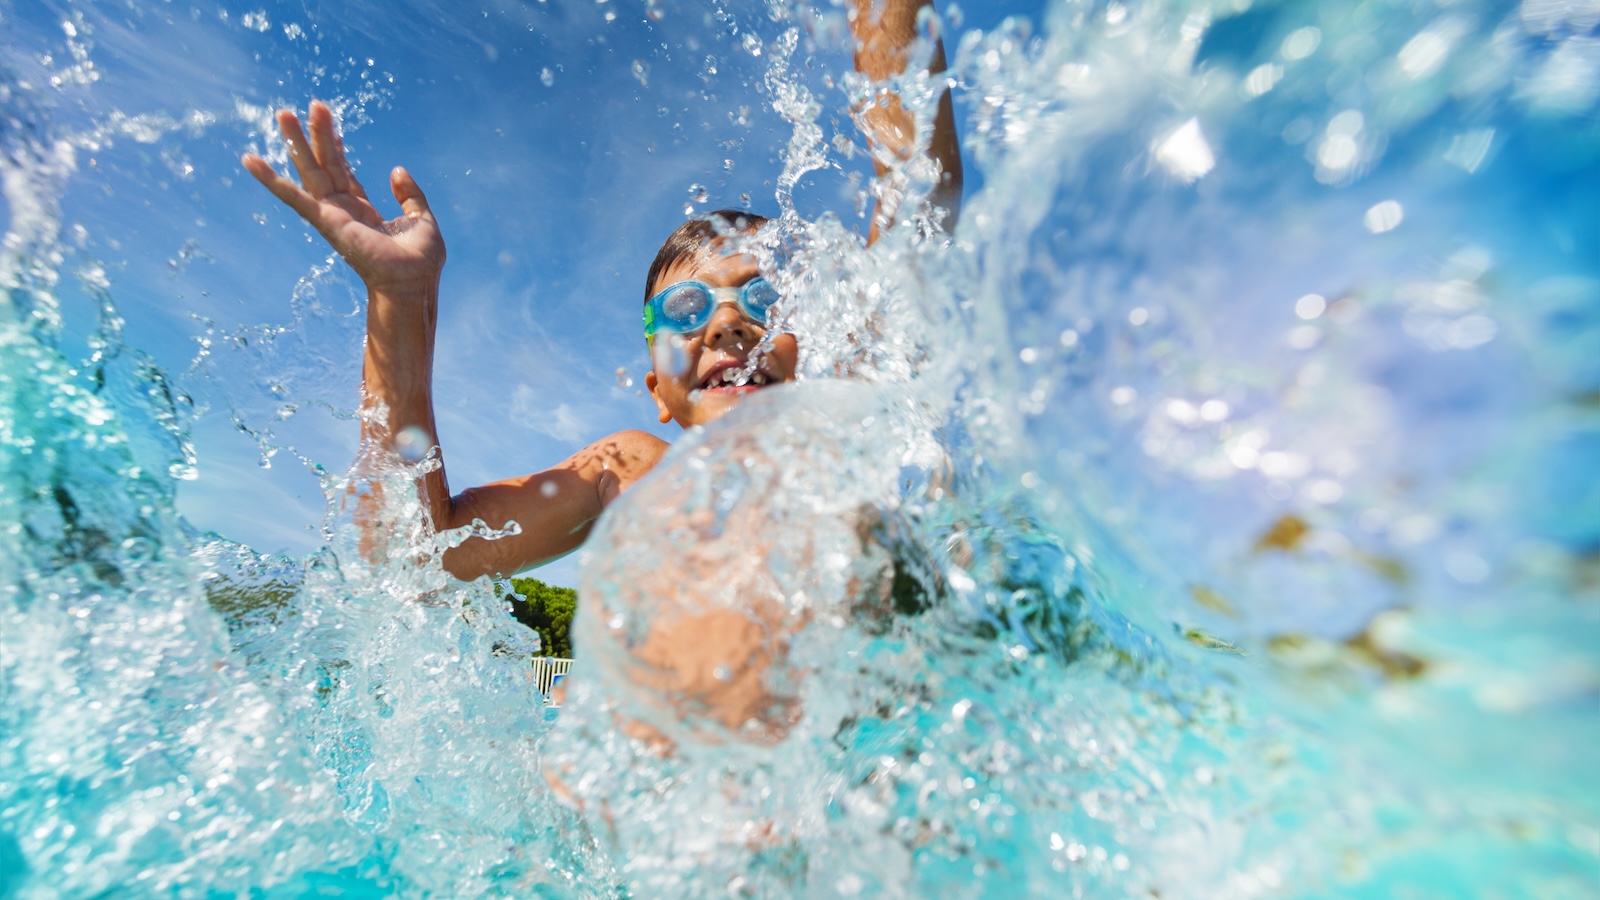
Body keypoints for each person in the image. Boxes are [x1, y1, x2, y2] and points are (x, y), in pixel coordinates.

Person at [239, 0, 961, 584]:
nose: (732, 322)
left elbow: (918, 201)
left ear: (818, 344)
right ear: (658, 391)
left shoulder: (860, 458)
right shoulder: (632, 471)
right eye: (687, 310)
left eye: (768, 298)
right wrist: (398, 302)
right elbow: (414, 555)